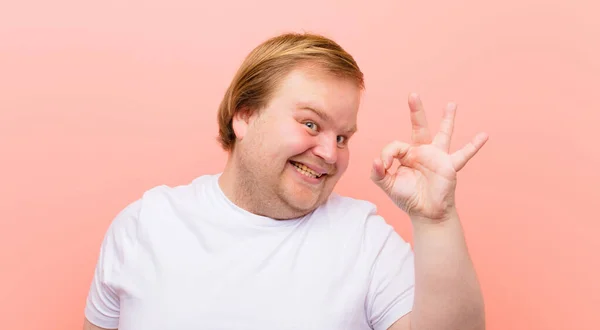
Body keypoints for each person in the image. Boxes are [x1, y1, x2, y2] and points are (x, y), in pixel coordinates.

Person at [83, 32, 487, 330]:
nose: (330, 153)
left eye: (343, 137)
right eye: (311, 123)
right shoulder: (144, 225)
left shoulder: (365, 239)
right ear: (244, 116)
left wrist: (436, 220)